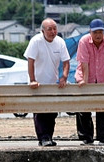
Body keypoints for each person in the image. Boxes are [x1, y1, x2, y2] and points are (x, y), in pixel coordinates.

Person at [25, 18, 70, 147]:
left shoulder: (60, 42)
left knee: (52, 112)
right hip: (37, 82)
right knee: (40, 112)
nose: (52, 31)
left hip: (52, 82)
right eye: (49, 29)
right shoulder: (36, 41)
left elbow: (66, 61)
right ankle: (43, 137)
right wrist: (32, 79)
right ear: (42, 31)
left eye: (54, 28)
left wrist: (64, 77)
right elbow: (31, 61)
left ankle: (49, 136)